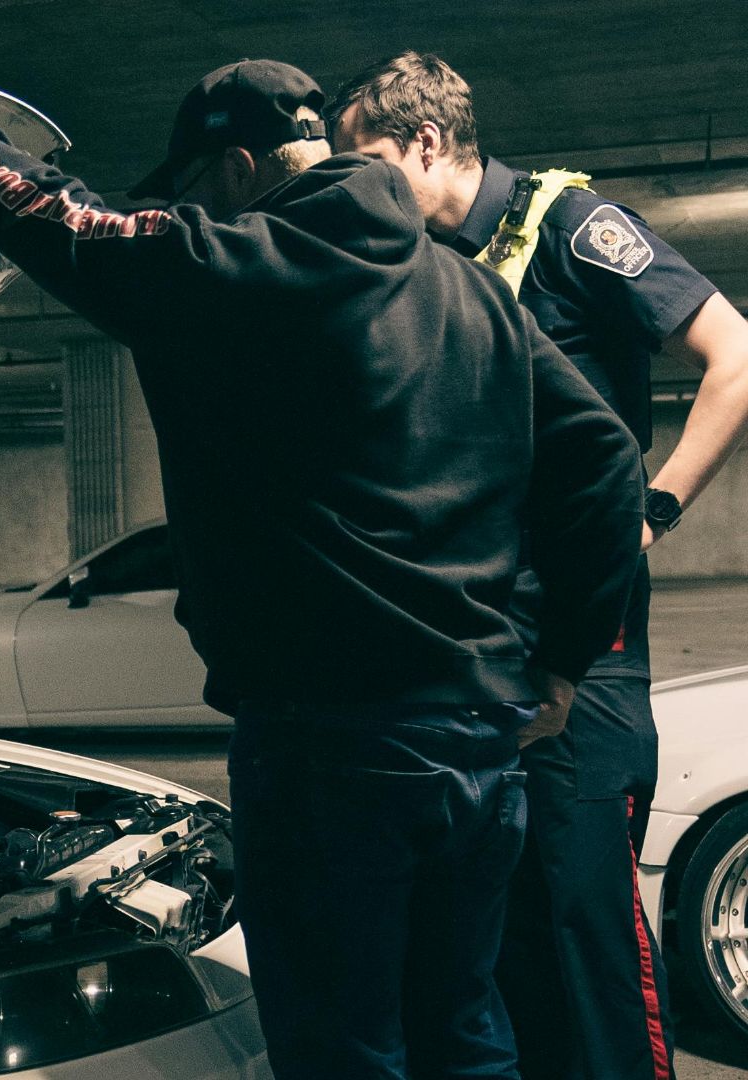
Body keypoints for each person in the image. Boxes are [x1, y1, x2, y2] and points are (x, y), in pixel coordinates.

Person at [0, 31, 643, 1079]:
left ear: (237, 171)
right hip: (481, 743)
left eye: (196, 185)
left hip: (332, 751)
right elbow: (605, 461)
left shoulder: (230, 261)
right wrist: (561, 658)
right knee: (464, 1030)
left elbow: (61, 219)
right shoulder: (474, 296)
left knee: (344, 1050)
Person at [332, 52, 748, 1080]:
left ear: (428, 144)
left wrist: (651, 510)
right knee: (498, 944)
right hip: (484, 653)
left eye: (369, 161)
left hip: (585, 653)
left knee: (585, 938)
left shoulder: (569, 228)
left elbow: (736, 356)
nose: (359, 188)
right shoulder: (420, 265)